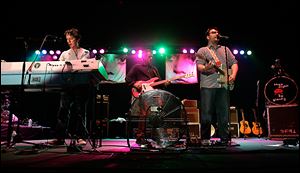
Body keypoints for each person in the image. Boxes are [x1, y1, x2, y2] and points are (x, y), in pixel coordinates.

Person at [195, 26, 238, 146]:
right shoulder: (202, 51)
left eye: (217, 32)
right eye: (213, 32)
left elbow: (234, 63)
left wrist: (233, 75)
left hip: (223, 85)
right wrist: (207, 67)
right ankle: (205, 139)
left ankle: (224, 139)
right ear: (208, 36)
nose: (216, 34)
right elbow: (200, 67)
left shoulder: (225, 49)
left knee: (224, 113)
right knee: (206, 113)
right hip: (208, 86)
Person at [49, 28, 90, 146]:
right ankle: (60, 137)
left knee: (79, 111)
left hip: (81, 86)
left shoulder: (85, 52)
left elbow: (83, 67)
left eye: (71, 39)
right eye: (67, 39)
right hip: (67, 86)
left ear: (77, 39)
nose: (69, 41)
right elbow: (59, 69)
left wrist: (72, 67)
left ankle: (80, 136)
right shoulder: (64, 54)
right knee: (63, 111)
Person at [125, 49, 170, 145]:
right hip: (143, 94)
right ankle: (140, 137)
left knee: (157, 114)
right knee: (143, 115)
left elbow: (158, 83)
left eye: (152, 56)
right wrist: (135, 83)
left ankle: (156, 136)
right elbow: (128, 79)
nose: (151, 58)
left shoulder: (154, 69)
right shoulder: (137, 67)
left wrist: (165, 84)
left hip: (153, 95)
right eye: (149, 56)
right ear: (144, 57)